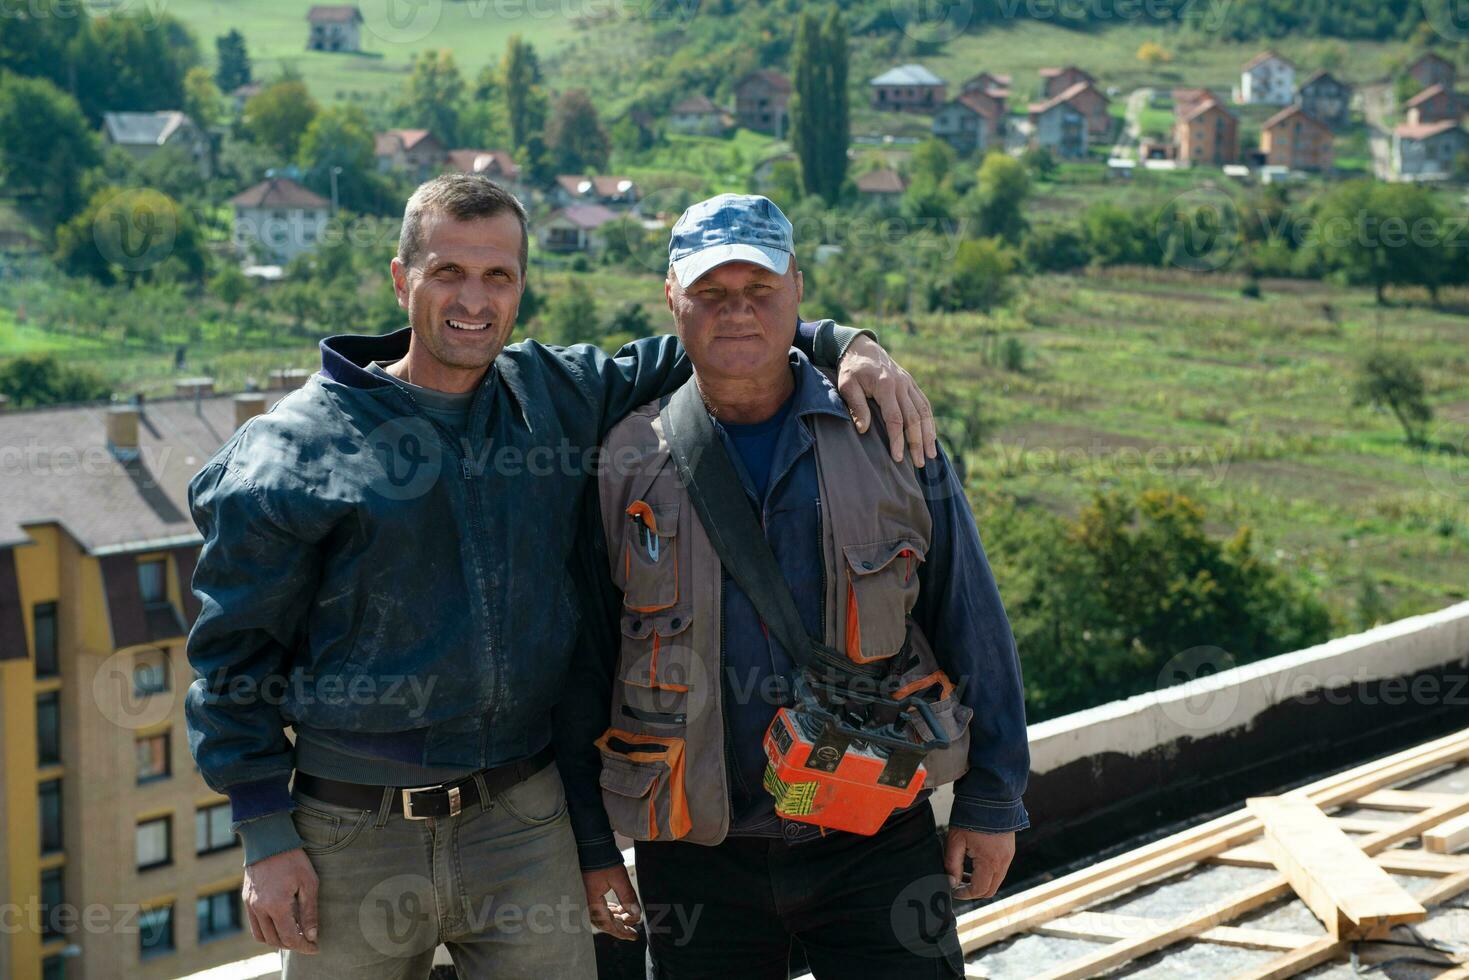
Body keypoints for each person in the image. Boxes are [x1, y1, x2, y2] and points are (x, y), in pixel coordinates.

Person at [184, 175, 937, 980]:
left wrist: (843, 341)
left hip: (520, 820)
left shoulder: (551, 396)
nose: (473, 300)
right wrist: (265, 831)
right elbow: (232, 658)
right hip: (351, 830)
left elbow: (715, 330)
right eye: (448, 273)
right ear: (401, 280)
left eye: (498, 276)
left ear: (520, 288)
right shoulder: (296, 448)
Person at [561, 194, 1030, 978]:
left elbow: (970, 618)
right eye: (710, 294)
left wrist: (991, 801)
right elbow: (581, 667)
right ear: (671, 297)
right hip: (694, 855)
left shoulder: (886, 430)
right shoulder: (623, 459)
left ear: (797, 290)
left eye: (760, 292)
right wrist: (589, 847)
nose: (736, 314)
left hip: (875, 834)